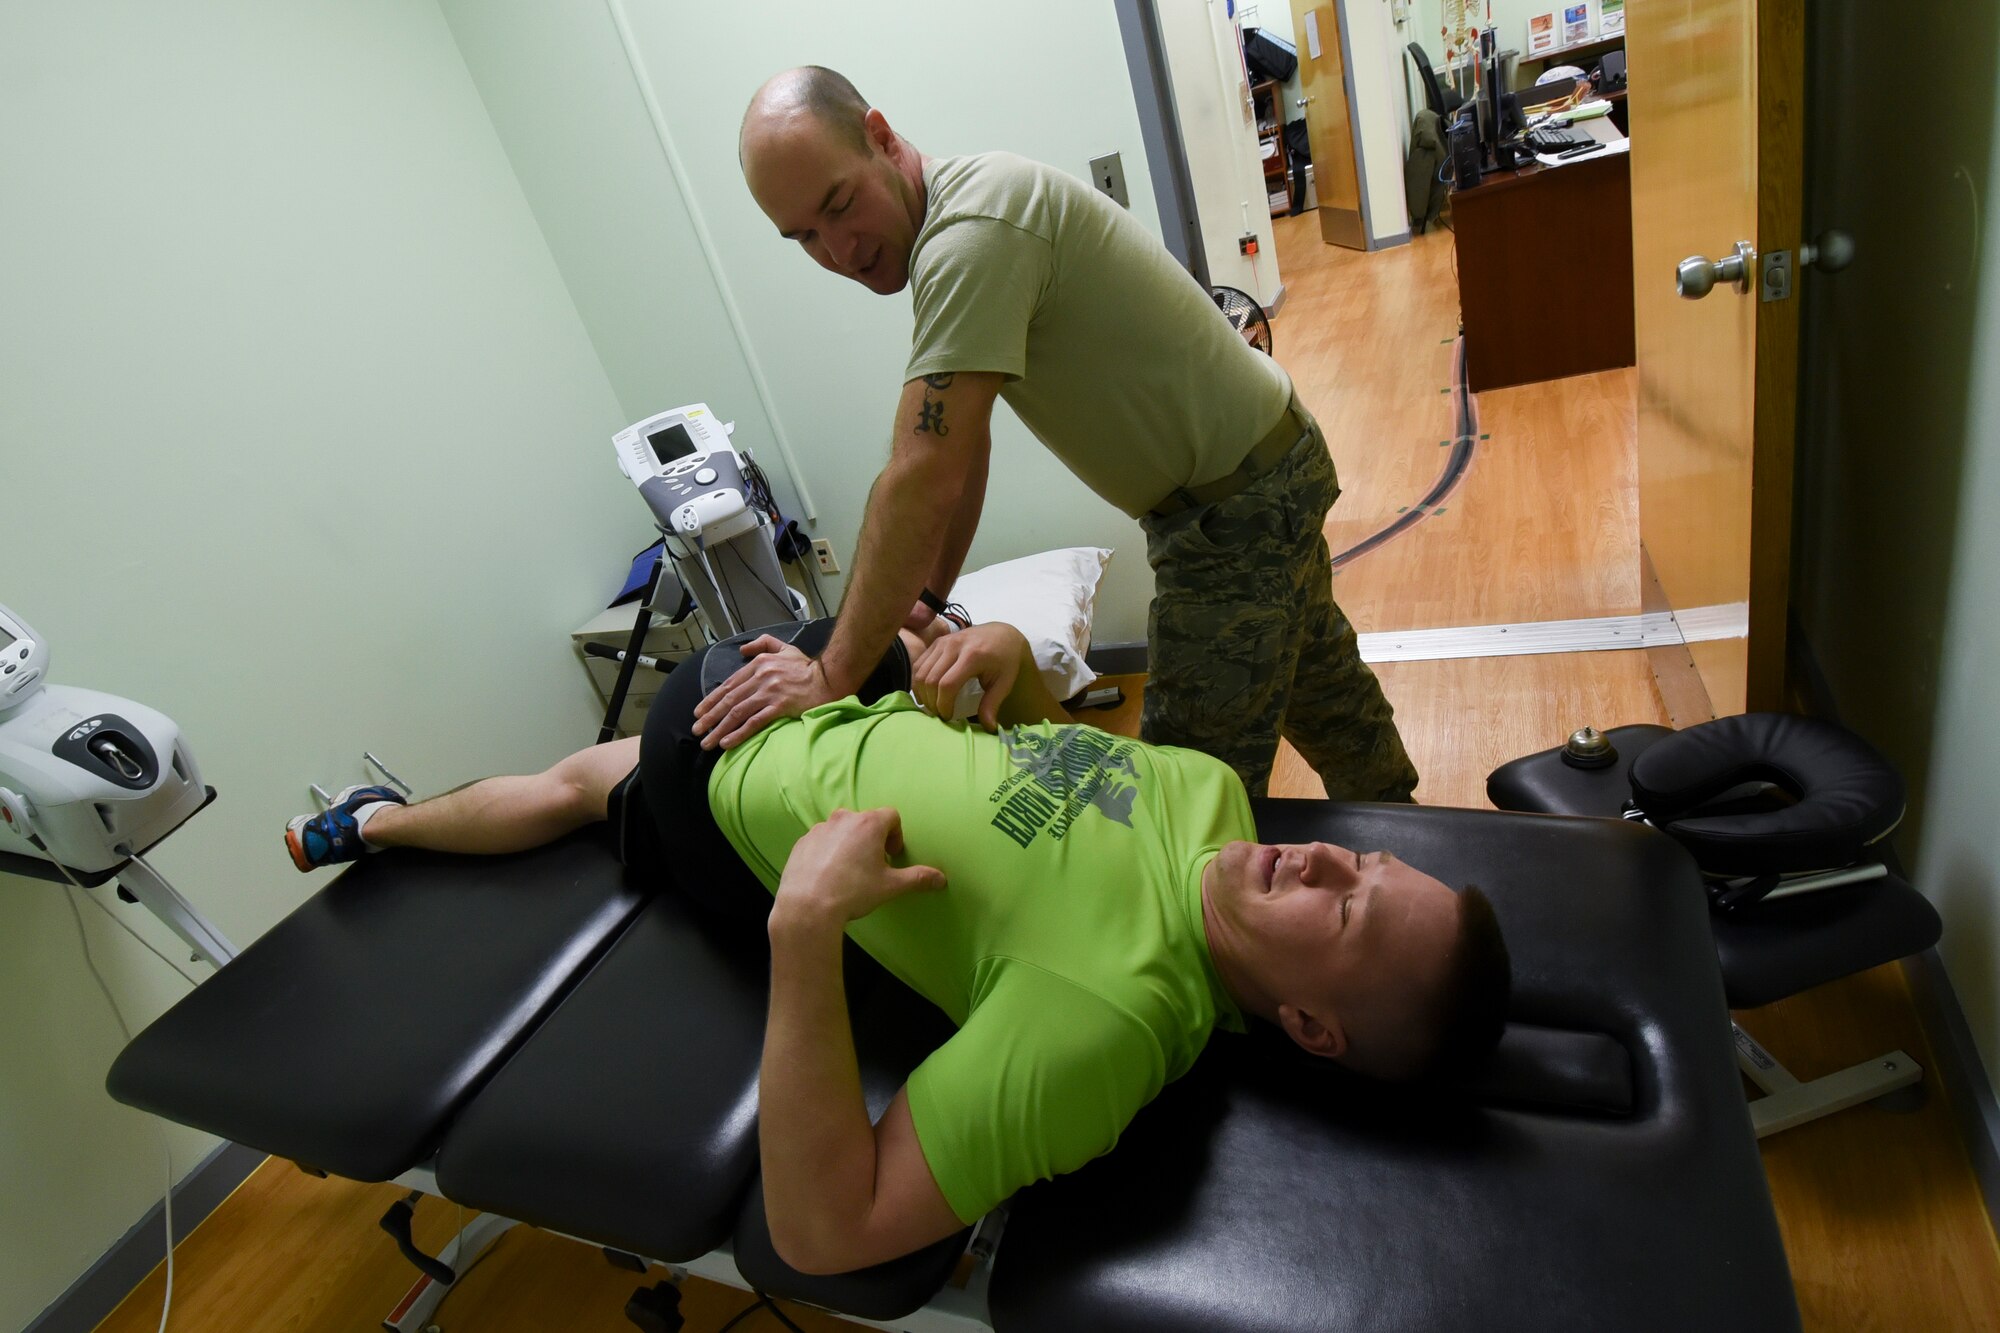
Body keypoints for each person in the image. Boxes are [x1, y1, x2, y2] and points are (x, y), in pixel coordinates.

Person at [284, 619, 1508, 1276]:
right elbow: (1054, 764)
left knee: (578, 785)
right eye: (1372, 859)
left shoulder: (1106, 1021)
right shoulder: (1217, 804)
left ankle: (370, 819)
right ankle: (376, 818)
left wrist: (807, 924)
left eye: (1343, 908)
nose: (1331, 857)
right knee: (565, 786)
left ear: (1306, 1024)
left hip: (722, 787)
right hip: (828, 688)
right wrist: (1011, 668)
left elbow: (826, 1230)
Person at [700, 65, 1418, 802]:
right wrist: (925, 600)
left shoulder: (969, 238)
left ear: (881, 137)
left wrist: (828, 676)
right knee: (1336, 713)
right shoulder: (967, 216)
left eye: (840, 205)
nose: (839, 252)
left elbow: (922, 474)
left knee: (1185, 814)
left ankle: (1418, 865)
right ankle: (1424, 854)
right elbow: (963, 448)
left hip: (1232, 515)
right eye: (805, 238)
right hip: (1265, 473)